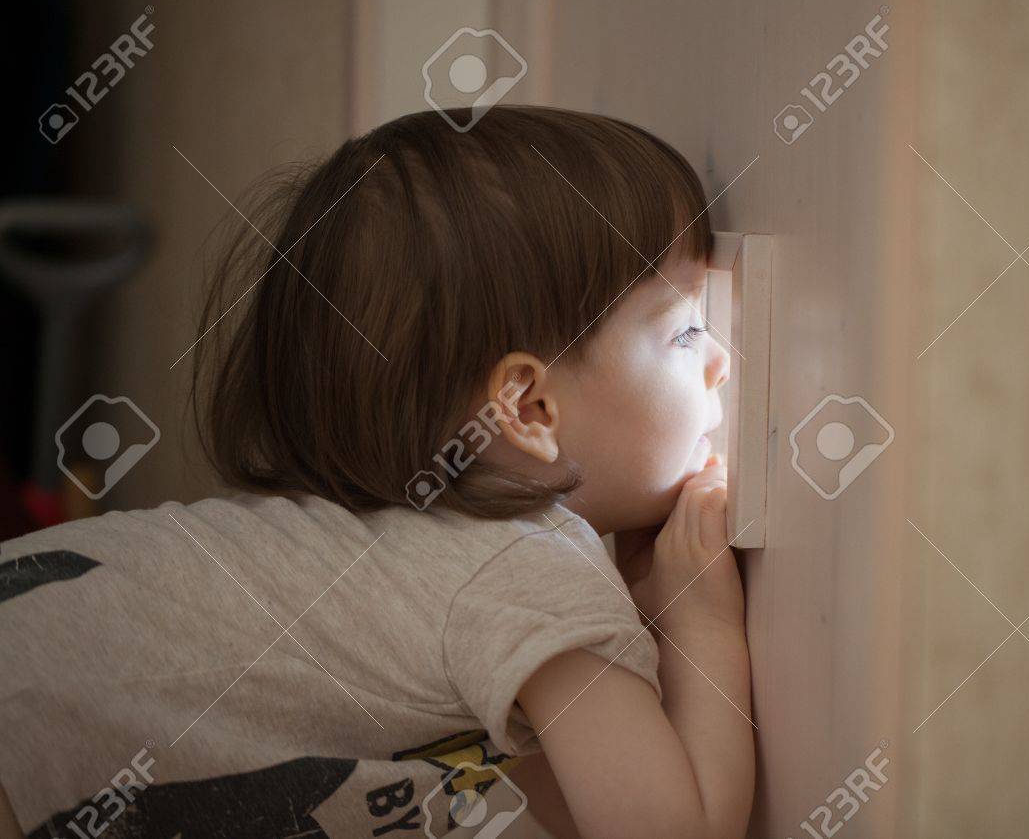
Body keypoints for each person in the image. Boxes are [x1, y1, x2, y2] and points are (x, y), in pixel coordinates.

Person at [0, 105, 752, 839]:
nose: (721, 361)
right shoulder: (530, 560)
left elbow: (542, 798)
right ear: (528, 409)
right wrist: (702, 621)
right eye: (686, 330)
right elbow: (671, 828)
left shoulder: (391, 544)